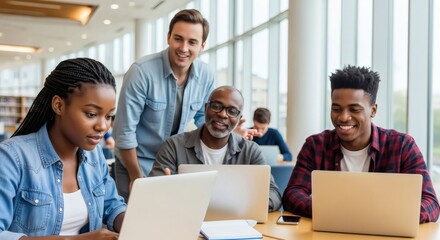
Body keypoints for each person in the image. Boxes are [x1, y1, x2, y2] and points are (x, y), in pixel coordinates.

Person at [112, 9, 255, 201]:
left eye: (192, 42)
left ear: (202, 45)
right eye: (178, 39)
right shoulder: (141, 72)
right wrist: (136, 176)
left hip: (173, 164)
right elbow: (124, 133)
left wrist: (229, 132)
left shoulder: (206, 75)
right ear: (169, 37)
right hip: (137, 163)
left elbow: (202, 118)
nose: (184, 48)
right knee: (137, 224)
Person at [282, 65, 440, 223]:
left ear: (373, 110)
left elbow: (430, 203)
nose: (343, 117)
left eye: (354, 110)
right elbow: (293, 194)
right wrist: (332, 211)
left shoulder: (402, 146)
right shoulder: (315, 145)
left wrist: (381, 216)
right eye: (336, 109)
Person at [0, 58, 126, 239]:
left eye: (108, 116)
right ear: (58, 105)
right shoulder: (11, 158)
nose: (103, 126)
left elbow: (112, 205)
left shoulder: (95, 155)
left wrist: (134, 221)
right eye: (91, 114)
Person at [149, 86, 282, 212]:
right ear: (206, 108)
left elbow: (274, 194)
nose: (223, 114)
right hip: (184, 224)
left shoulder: (251, 151)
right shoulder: (173, 146)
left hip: (236, 224)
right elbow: (152, 194)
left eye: (232, 111)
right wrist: (163, 192)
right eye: (217, 106)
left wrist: (247, 204)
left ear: (239, 119)